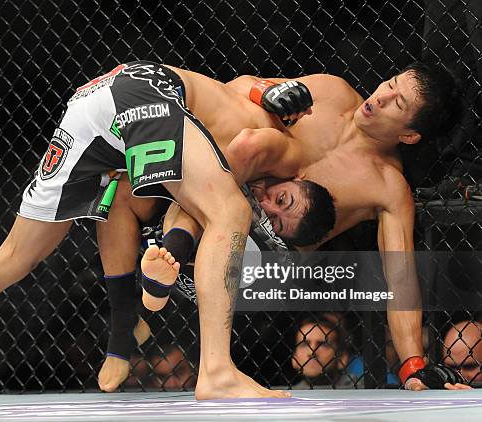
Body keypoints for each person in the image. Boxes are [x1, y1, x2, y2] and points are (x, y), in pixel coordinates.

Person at [0, 60, 329, 403]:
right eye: (282, 206)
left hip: (93, 103)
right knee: (231, 212)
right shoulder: (282, 146)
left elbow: (154, 211)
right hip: (144, 94)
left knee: (11, 257)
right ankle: (217, 371)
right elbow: (244, 157)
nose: (270, 211)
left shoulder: (227, 114)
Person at [134, 61, 472, 391]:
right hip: (224, 190)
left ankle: (172, 250)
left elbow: (399, 277)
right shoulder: (331, 92)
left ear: (409, 135)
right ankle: (170, 254)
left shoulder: (387, 186)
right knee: (250, 140)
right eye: (391, 83)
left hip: (261, 252)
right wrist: (265, 91)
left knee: (245, 156)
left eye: (397, 102)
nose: (381, 96)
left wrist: (413, 363)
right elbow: (232, 93)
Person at [291, 315, 354, 389]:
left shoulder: (362, 388)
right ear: (294, 359)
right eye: (305, 344)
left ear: (342, 358)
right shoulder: (289, 395)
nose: (312, 352)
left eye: (323, 344)